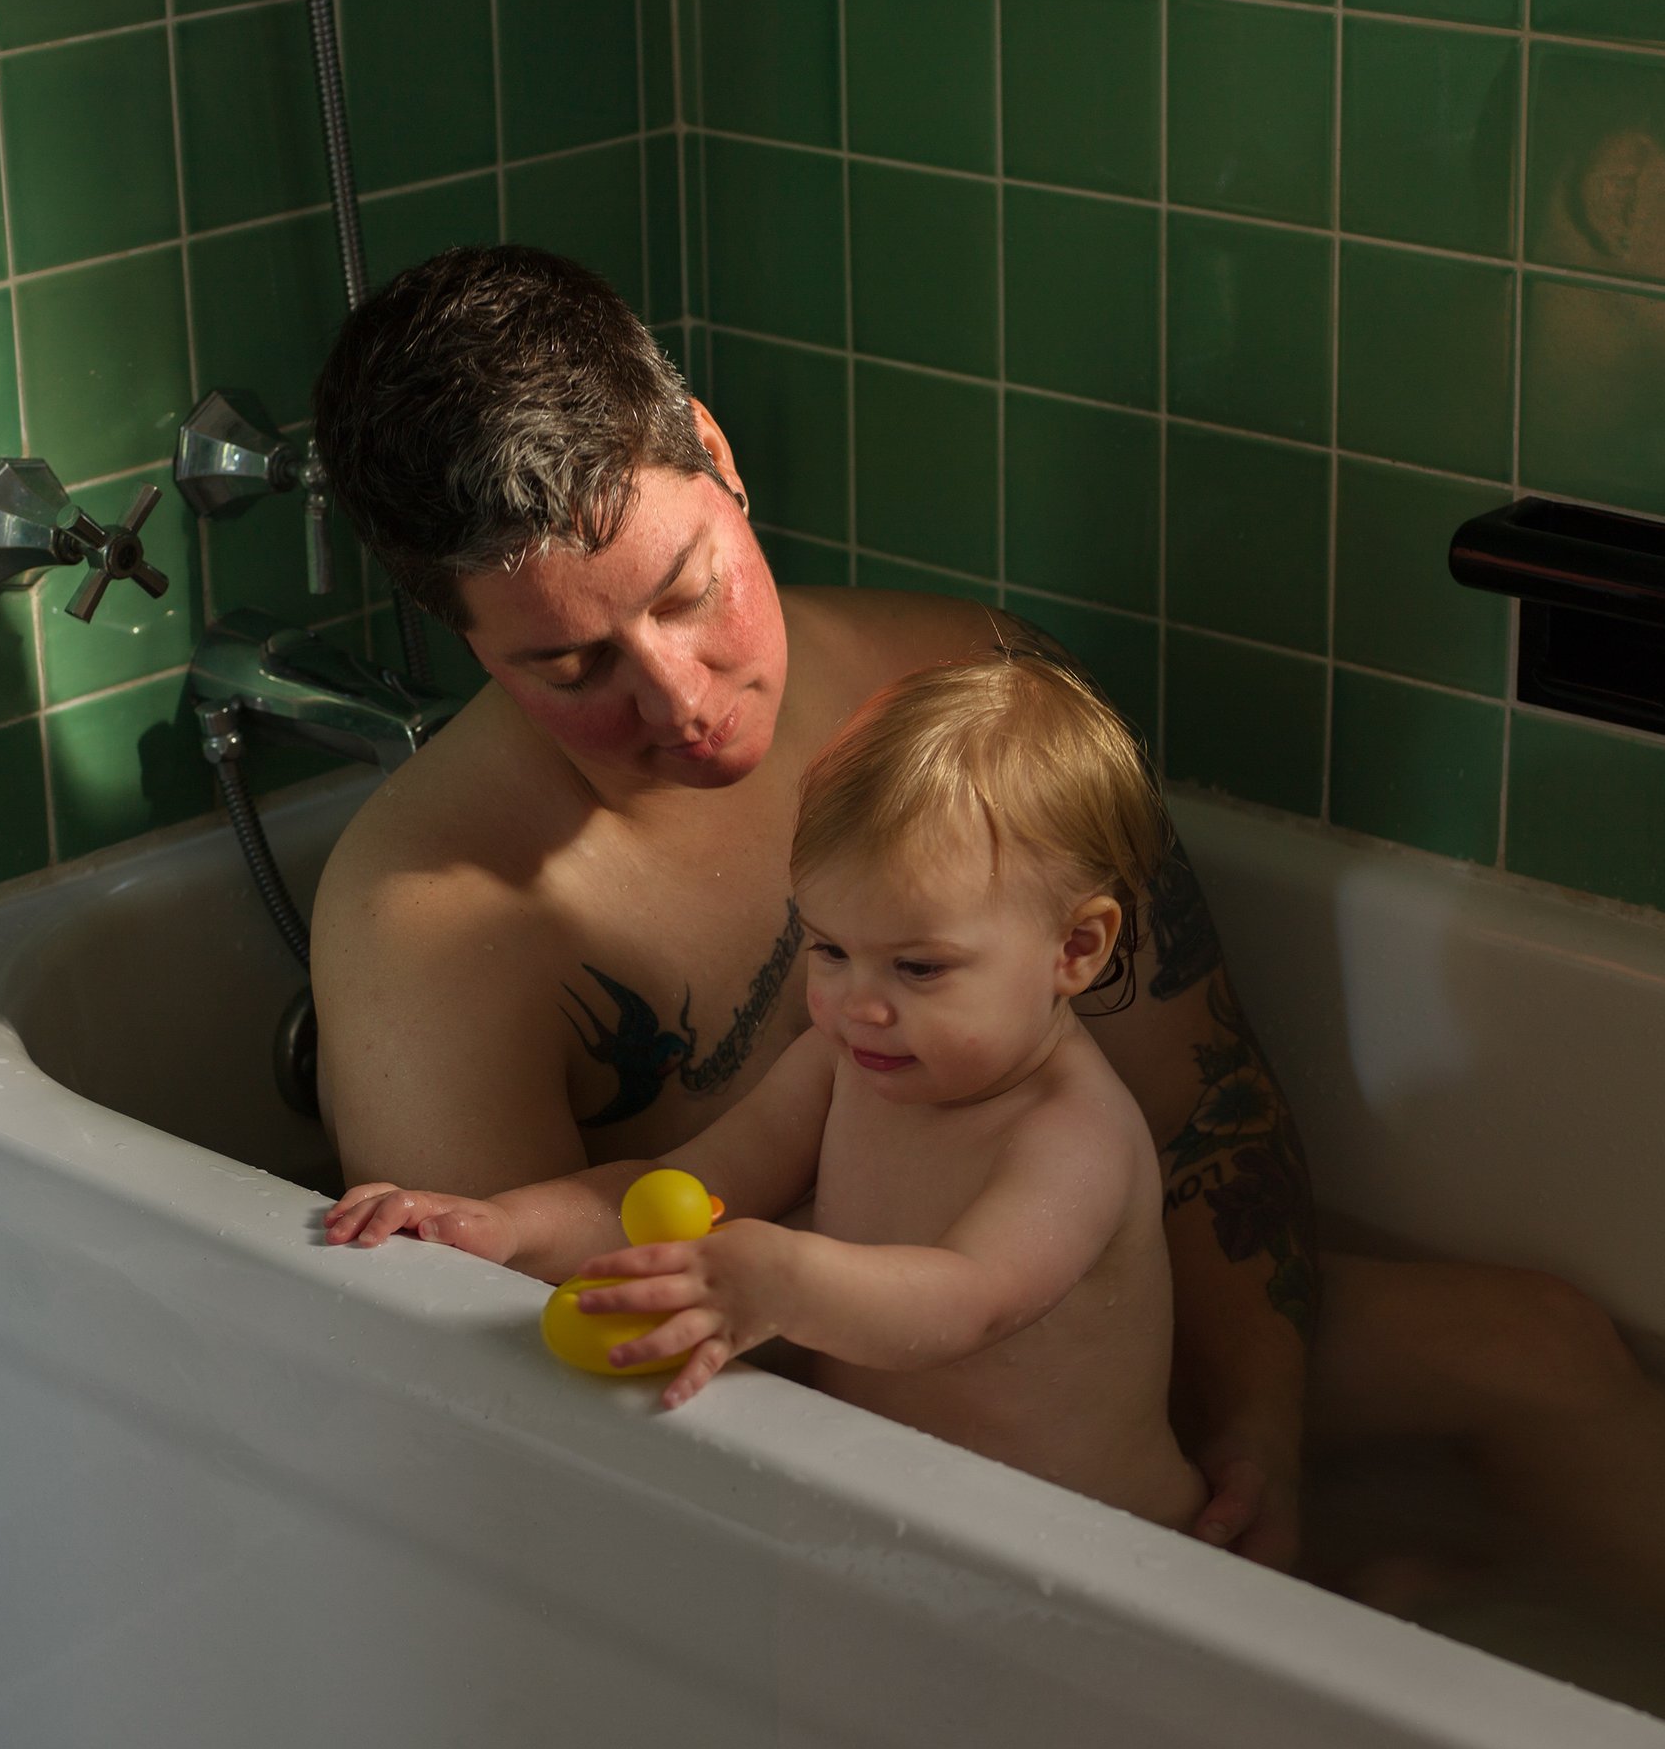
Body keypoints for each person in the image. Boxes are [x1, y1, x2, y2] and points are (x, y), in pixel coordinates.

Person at [307, 245, 1665, 1749]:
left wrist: (1254, 1431)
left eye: (691, 589)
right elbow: (513, 1449)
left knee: (1541, 1348)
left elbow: (1204, 1120)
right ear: (460, 647)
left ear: (722, 457)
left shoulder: (957, 697)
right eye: (571, 668)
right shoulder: (437, 926)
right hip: (813, 1473)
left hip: (1062, 1333)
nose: (679, 700)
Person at [325, 654, 1205, 1532]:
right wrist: (503, 1225)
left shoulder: (1067, 1135)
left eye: (918, 966)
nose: (858, 1004)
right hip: (908, 1516)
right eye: (830, 950)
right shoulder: (844, 1064)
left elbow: (969, 1299)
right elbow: (680, 1182)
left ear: (1075, 950)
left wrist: (780, 1280)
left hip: (1097, 1548)